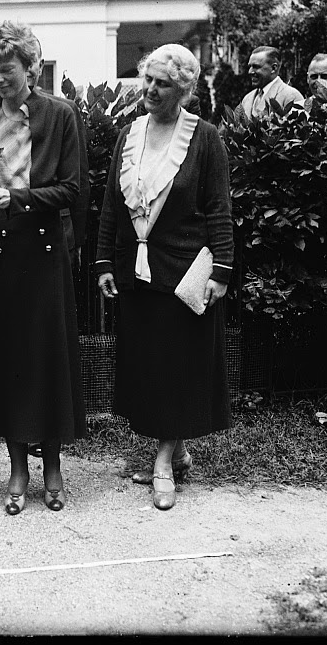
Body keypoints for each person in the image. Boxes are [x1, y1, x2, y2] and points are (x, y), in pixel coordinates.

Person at [0, 19, 86, 515]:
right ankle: (17, 469)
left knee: (46, 358)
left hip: (44, 250)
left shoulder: (60, 115)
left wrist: (21, 196)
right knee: (4, 358)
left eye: (6, 70)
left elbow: (73, 190)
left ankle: (51, 465)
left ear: (30, 65)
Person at [94, 43, 234, 511]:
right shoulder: (129, 135)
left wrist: (222, 272)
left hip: (183, 271)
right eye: (148, 79)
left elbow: (219, 209)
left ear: (185, 90)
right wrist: (103, 262)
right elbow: (112, 206)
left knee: (179, 366)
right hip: (137, 272)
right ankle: (178, 450)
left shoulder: (205, 138)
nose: (150, 90)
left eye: (163, 83)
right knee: (151, 367)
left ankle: (162, 462)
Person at [233, 45, 305, 123]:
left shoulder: (291, 96)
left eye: (256, 67)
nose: (250, 72)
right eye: (250, 66)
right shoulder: (247, 99)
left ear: (274, 68)